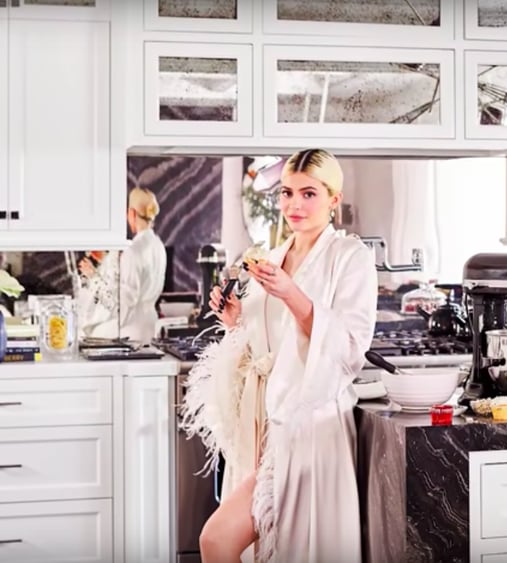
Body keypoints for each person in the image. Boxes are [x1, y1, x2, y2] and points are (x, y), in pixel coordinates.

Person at [181, 149, 377, 563]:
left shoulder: (350, 258)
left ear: (333, 199)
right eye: (287, 193)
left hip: (309, 426)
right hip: (262, 423)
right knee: (257, 549)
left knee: (217, 541)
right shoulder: (272, 257)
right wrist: (236, 320)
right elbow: (265, 345)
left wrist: (290, 293)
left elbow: (349, 350)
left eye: (309, 193)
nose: (294, 205)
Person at [78, 187, 167, 343]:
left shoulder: (132, 251)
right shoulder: (158, 246)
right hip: (150, 326)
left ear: (131, 213)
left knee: (84, 333)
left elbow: (124, 304)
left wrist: (95, 278)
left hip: (130, 330)